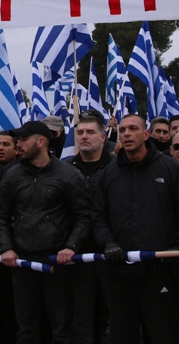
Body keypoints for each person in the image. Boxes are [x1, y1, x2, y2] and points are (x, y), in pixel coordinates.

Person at [92, 114, 179, 343]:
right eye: (123, 130)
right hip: (119, 271)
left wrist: (177, 249)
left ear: (146, 134)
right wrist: (108, 242)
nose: (126, 134)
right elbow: (97, 216)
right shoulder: (109, 174)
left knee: (162, 334)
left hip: (159, 270)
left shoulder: (170, 169)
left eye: (133, 129)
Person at [0, 120, 91, 344]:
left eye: (23, 140)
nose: (18, 144)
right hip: (22, 264)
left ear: (41, 142)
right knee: (26, 330)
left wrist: (70, 246)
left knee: (62, 330)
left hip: (57, 264)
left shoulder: (69, 175)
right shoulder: (11, 175)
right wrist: (6, 247)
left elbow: (84, 217)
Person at [67, 112, 113, 344]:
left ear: (103, 137)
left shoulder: (117, 168)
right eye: (80, 133)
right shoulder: (65, 169)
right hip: (77, 254)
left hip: (111, 252)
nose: (84, 137)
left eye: (90, 132)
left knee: (112, 315)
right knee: (81, 316)